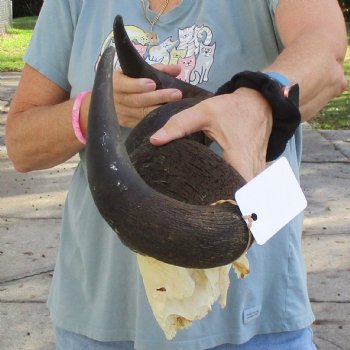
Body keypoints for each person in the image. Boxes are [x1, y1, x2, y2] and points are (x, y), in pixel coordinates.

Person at [5, 0, 346, 349]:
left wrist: (257, 101)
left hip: (253, 326)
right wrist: (94, 110)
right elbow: (21, 144)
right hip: (101, 322)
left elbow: (326, 52)